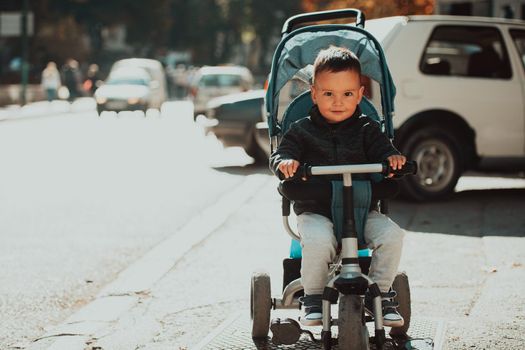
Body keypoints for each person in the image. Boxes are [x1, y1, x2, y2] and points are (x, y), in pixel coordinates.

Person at [270, 46, 407, 327]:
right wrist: (286, 162)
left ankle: (379, 294)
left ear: (359, 94)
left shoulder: (368, 130)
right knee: (318, 240)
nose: (338, 101)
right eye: (328, 93)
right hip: (317, 209)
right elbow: (281, 154)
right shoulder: (301, 130)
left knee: (392, 235)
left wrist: (392, 160)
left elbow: (385, 152)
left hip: (361, 210)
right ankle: (314, 296)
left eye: (347, 94)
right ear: (314, 93)